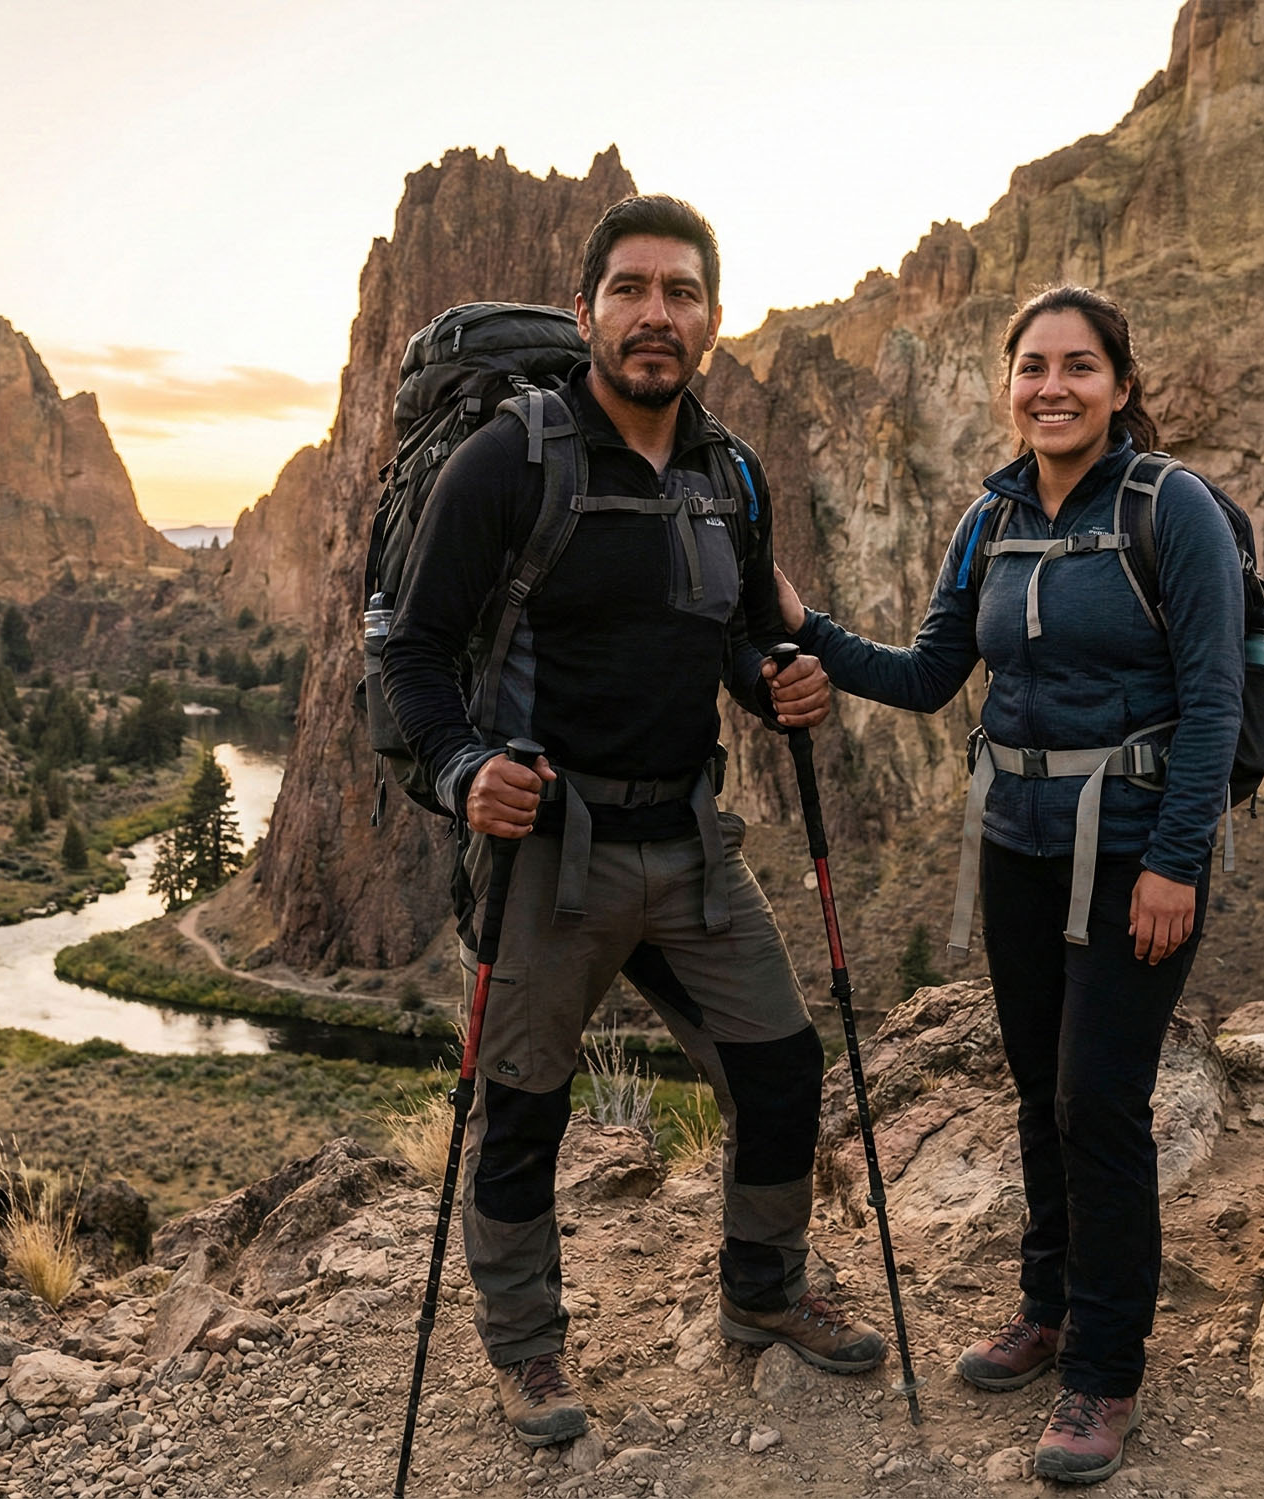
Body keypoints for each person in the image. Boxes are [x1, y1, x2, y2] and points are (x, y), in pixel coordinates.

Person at [381, 194, 887, 1449]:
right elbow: (415, 652)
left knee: (780, 1070)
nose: (654, 315)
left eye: (679, 293)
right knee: (522, 1104)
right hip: (547, 847)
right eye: (630, 290)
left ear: (710, 320)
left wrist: (779, 682)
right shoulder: (510, 458)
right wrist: (460, 772)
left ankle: (761, 1294)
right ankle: (526, 1347)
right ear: (585, 311)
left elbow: (734, 640)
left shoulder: (728, 474)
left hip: (689, 841)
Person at [775, 285, 1242, 1484]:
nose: (1052, 386)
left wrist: (1174, 863)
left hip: (1135, 849)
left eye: (1078, 366)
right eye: (1031, 366)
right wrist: (808, 625)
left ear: (1119, 386)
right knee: (1037, 1088)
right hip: (1017, 844)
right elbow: (932, 672)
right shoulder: (987, 516)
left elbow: (1213, 702)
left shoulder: (1168, 506)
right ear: (1007, 384)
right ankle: (1044, 1308)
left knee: (1098, 1098)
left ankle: (1101, 1365)